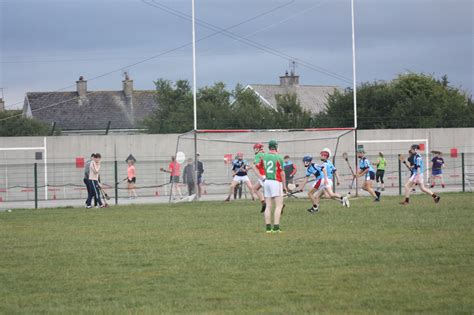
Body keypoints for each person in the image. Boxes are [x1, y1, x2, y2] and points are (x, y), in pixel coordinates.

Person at [256, 140, 286, 233]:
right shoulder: (278, 157)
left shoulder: (263, 157)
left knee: (268, 206)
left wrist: (262, 178)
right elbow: (282, 173)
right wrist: (284, 186)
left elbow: (257, 167)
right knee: (279, 205)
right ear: (276, 147)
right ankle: (276, 227)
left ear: (269, 147)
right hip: (276, 182)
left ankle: (268, 228)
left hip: (266, 181)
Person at [251, 143, 266, 213]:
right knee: (255, 188)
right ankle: (263, 203)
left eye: (255, 148)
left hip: (262, 176)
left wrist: (252, 166)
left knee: (271, 194)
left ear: (259, 148)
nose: (254, 150)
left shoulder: (258, 155)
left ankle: (280, 205)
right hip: (267, 175)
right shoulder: (265, 154)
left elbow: (257, 165)